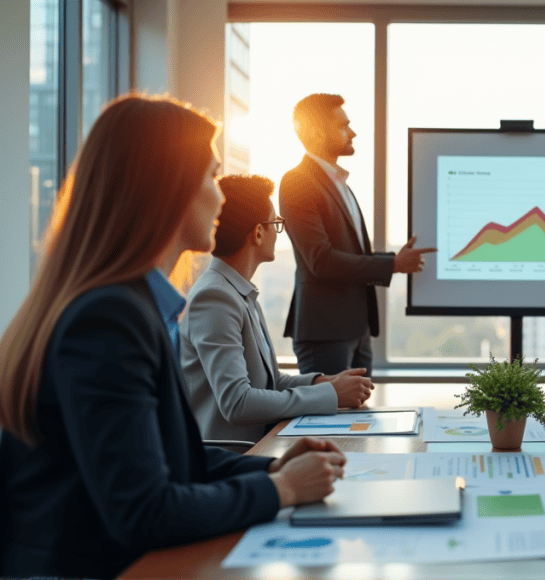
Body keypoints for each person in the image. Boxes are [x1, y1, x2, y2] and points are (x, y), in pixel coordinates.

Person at [0, 95, 346, 578]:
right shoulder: (109, 319)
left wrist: (273, 468)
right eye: (210, 175)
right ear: (167, 189)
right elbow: (146, 512)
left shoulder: (128, 305)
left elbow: (168, 458)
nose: (221, 197)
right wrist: (283, 490)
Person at [180, 174, 375, 444]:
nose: (278, 231)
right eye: (276, 223)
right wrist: (331, 394)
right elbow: (238, 402)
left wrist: (326, 383)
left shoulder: (238, 291)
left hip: (260, 447)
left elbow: (269, 383)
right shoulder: (215, 297)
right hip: (233, 459)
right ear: (258, 232)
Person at [280, 93, 436, 375]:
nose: (352, 132)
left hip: (356, 330)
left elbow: (350, 256)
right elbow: (321, 260)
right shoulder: (298, 182)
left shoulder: (340, 183)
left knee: (360, 417)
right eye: (343, 125)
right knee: (327, 418)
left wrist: (394, 261)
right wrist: (392, 264)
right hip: (325, 333)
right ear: (316, 132)